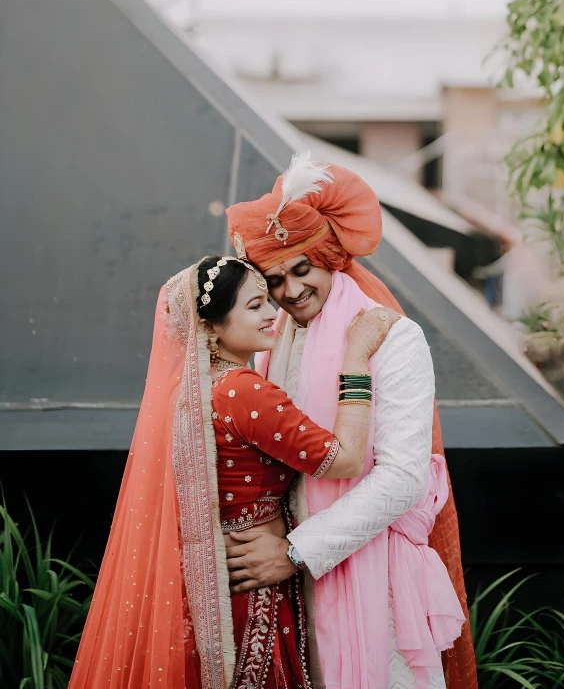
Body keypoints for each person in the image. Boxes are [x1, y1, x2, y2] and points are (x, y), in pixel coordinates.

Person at [68, 254, 397, 689]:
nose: (273, 313)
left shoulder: (189, 392)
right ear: (211, 328)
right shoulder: (243, 391)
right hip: (254, 586)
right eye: (255, 305)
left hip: (214, 584)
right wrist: (355, 360)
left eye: (267, 301)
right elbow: (348, 460)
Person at [225, 152, 477, 689]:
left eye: (302, 270)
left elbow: (402, 479)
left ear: (330, 258)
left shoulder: (393, 337)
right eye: (274, 280)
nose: (291, 291)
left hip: (373, 576)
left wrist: (296, 552)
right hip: (291, 578)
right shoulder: (272, 342)